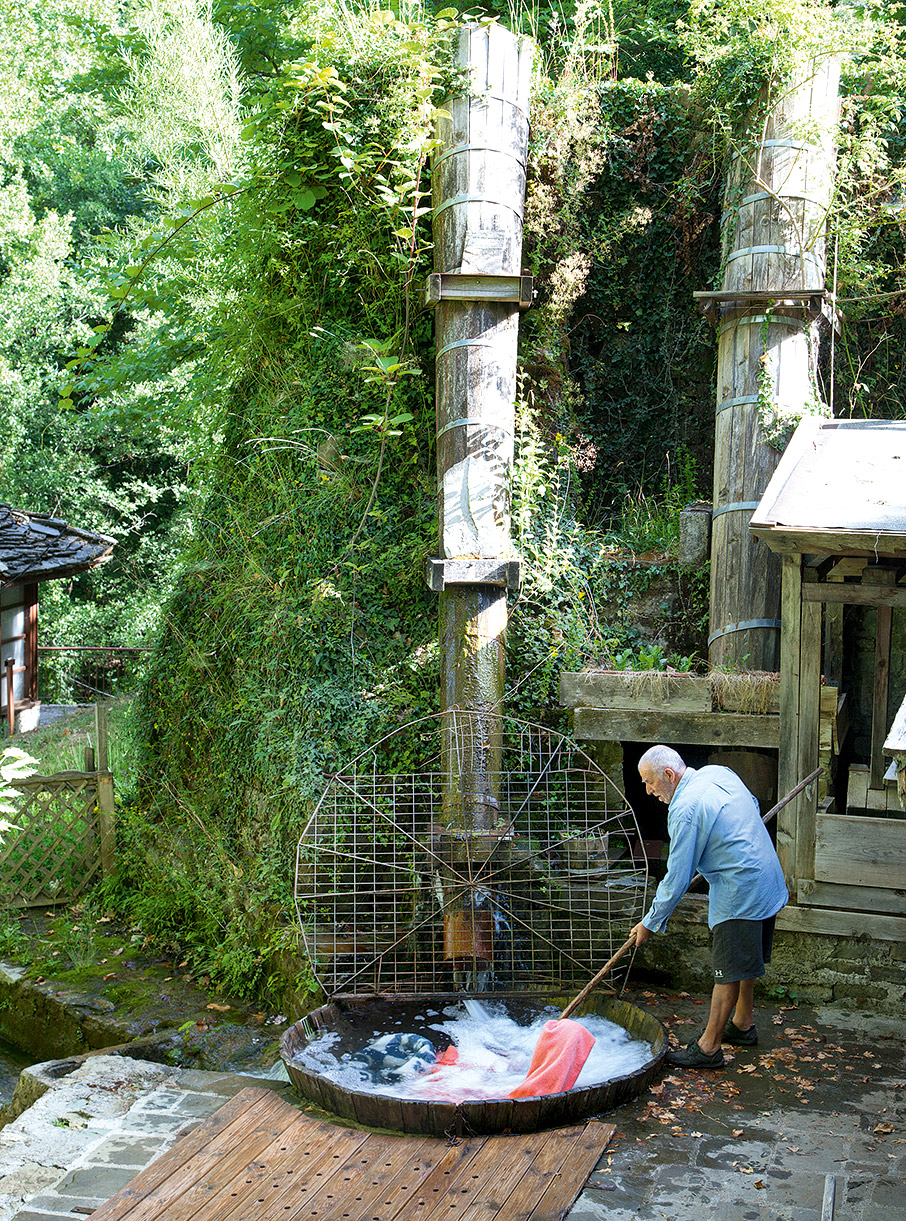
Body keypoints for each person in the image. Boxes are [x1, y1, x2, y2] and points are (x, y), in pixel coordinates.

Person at [629, 745, 788, 1069]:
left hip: (741, 890)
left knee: (727, 971)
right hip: (766, 873)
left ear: (669, 775)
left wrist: (649, 923)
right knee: (744, 960)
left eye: (650, 782)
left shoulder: (685, 809)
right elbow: (753, 806)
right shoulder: (718, 774)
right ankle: (742, 1024)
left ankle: (709, 1048)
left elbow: (676, 878)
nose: (648, 791)